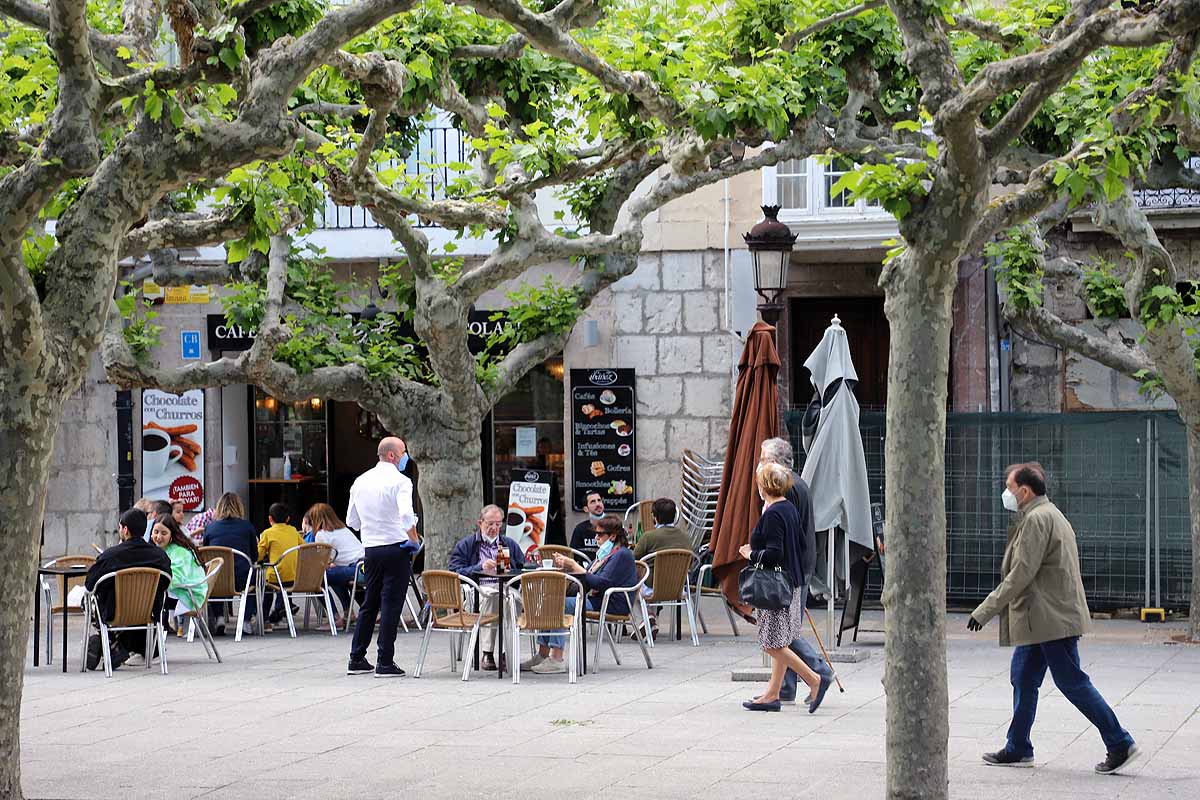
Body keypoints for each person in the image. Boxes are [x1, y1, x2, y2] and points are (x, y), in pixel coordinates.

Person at [969, 463, 1138, 774]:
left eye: (1009, 487)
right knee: (1023, 676)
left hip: (1050, 618)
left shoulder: (1037, 520)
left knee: (1072, 682)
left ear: (1024, 490)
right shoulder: (1049, 514)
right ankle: (1018, 746)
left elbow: (1020, 574)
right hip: (1044, 616)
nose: (1006, 493)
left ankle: (1119, 741)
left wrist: (985, 610)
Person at [737, 462, 823, 712]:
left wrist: (750, 554)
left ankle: (814, 679)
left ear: (764, 486)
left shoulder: (774, 513)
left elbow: (775, 553)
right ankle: (772, 694)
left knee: (772, 643)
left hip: (775, 586)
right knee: (781, 640)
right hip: (791, 581)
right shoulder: (788, 508)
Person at [759, 437, 835, 707]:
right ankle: (785, 688)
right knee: (786, 631)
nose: (760, 464)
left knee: (783, 633)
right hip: (797, 567)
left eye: (764, 459)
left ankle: (819, 673)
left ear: (776, 462)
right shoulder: (797, 483)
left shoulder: (786, 487)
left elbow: (782, 536)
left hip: (789, 571)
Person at [525, 516, 637, 675]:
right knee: (550, 600)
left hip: (611, 603)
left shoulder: (621, 555)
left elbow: (601, 583)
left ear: (612, 536)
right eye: (595, 534)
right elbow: (587, 577)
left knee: (560, 605)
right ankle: (543, 654)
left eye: (600, 535)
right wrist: (568, 568)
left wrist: (575, 566)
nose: (596, 538)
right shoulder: (604, 554)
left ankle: (556, 659)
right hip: (597, 598)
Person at [346, 437, 420, 677]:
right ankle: (385, 661)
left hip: (371, 549)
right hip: (396, 547)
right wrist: (414, 539)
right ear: (392, 455)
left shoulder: (360, 481)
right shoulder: (401, 481)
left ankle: (357, 657)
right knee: (391, 604)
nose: (405, 457)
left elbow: (351, 521)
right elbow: (407, 515)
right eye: (403, 452)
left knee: (370, 602)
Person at [83, 508, 171, 670]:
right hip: (148, 612)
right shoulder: (160, 556)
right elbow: (166, 583)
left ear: (125, 529)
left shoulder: (110, 556)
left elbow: (89, 587)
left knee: (87, 602)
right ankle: (115, 645)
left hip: (113, 612)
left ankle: (110, 643)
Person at [448, 504, 527, 671]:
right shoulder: (467, 544)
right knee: (494, 597)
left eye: (498, 524)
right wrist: (479, 567)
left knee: (513, 598)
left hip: (505, 586)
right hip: (478, 591)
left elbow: (523, 568)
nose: (494, 528)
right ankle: (488, 652)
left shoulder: (509, 544)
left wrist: (510, 570)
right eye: (490, 524)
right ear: (480, 522)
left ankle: (507, 651)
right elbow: (454, 572)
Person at [632, 498, 693, 637]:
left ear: (654, 517)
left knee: (629, 585)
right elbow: (691, 564)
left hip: (652, 587)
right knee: (646, 580)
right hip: (678, 589)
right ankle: (650, 618)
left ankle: (645, 620)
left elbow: (632, 560)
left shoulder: (649, 537)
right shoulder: (686, 537)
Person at [201, 492, 259, 635]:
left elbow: (206, 554)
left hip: (218, 578)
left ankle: (219, 617)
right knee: (255, 579)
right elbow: (254, 555)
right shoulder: (247, 526)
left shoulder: (210, 527)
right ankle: (245, 620)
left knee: (214, 574)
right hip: (241, 579)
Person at [148, 513, 208, 650]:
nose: (158, 537)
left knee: (148, 601)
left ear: (172, 535)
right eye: (155, 532)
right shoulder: (159, 550)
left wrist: (151, 583)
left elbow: (176, 578)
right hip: (176, 592)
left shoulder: (179, 551)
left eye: (164, 533)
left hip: (189, 595)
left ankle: (152, 646)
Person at [306, 502, 365, 627]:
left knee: (316, 578)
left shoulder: (322, 534)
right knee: (335, 575)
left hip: (355, 570)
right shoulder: (344, 529)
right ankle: (349, 613)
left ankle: (334, 616)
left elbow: (323, 562)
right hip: (366, 568)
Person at [257, 502, 304, 632]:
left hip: (276, 576)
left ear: (270, 519)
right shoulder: (294, 531)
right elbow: (304, 548)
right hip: (294, 576)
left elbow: (259, 556)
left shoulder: (267, 533)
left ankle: (265, 619)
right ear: (288, 519)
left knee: (267, 588)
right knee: (285, 584)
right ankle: (284, 609)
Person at [570, 491, 606, 559]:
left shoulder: (613, 526)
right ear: (586, 509)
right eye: (593, 502)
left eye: (599, 500)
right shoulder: (580, 529)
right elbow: (573, 554)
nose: (598, 504)